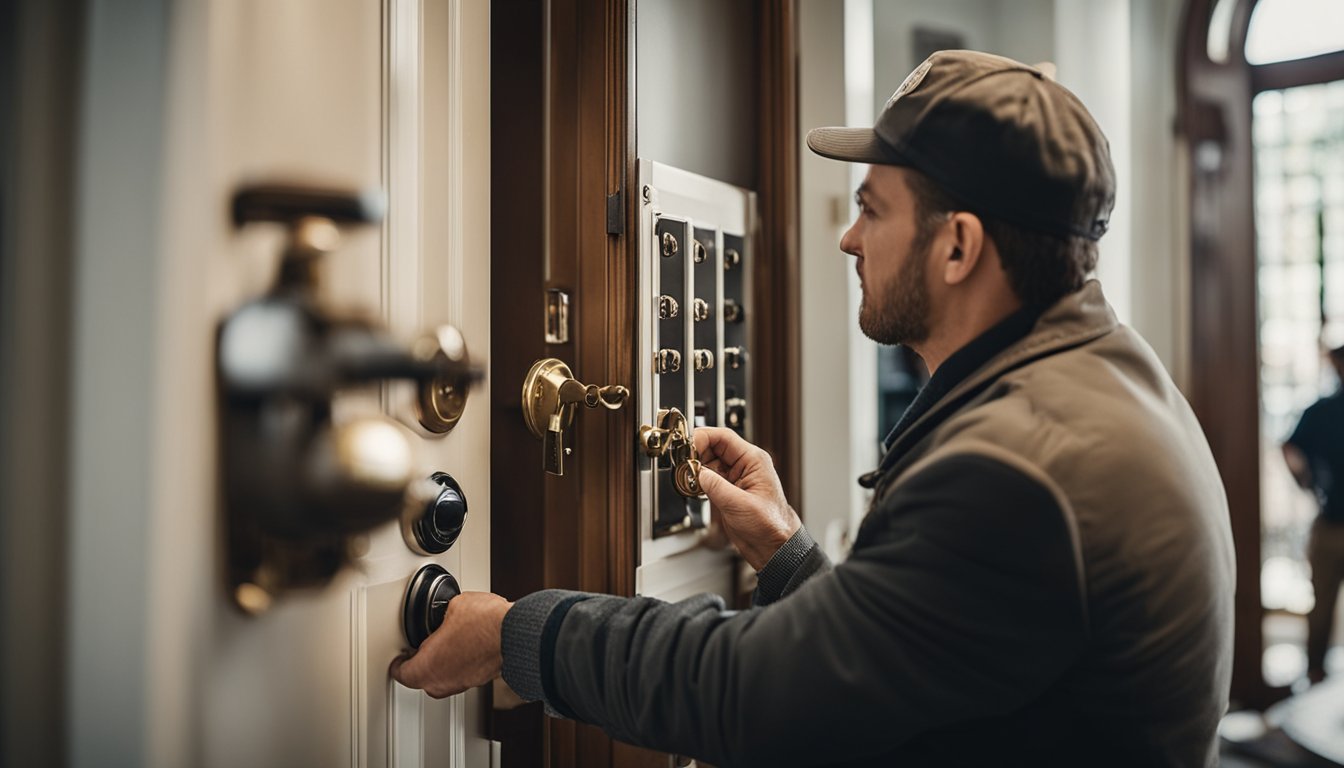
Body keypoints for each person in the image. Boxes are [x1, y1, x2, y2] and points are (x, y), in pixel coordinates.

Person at [392, 50, 1236, 766]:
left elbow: (763, 697)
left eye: (872, 208)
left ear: (958, 245)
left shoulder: (1017, 466)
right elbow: (929, 662)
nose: (848, 237)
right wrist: (789, 558)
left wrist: (519, 633)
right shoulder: (1105, 381)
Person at [1282, 343, 1344, 684]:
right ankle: (1315, 675)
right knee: (1320, 608)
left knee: (1320, 607)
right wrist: (1305, 483)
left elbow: (1290, 449)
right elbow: (1290, 448)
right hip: (1331, 521)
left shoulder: (1322, 410)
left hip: (1330, 521)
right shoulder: (1322, 411)